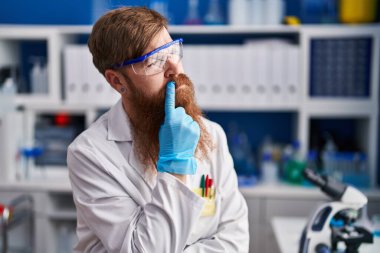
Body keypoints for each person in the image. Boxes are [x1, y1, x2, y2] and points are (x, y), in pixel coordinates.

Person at [67, 6, 249, 253]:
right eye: (155, 60)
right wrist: (176, 165)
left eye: (173, 50)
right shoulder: (89, 154)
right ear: (117, 81)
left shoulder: (213, 135)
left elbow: (235, 240)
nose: (174, 68)